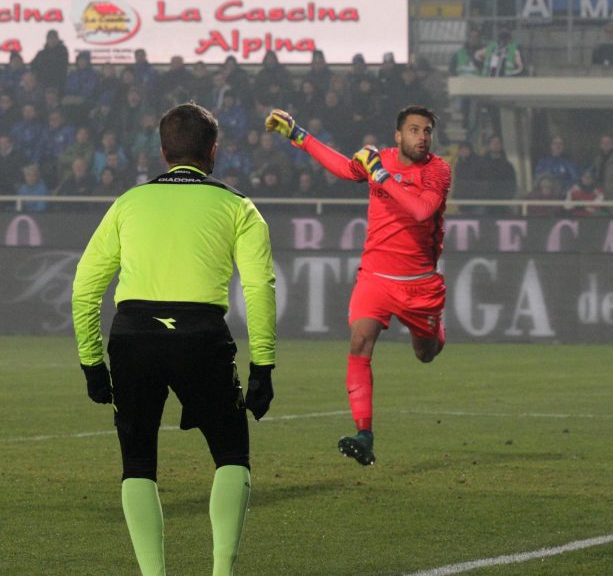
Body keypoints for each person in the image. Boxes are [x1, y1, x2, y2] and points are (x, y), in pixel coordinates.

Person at [71, 102, 277, 576]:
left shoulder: (127, 203)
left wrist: (91, 362)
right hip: (201, 337)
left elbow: (85, 286)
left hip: (132, 337)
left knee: (138, 461)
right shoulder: (238, 206)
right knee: (230, 454)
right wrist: (262, 365)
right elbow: (259, 288)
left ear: (163, 152)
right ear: (214, 151)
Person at [265, 104, 450, 467]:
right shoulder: (381, 159)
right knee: (359, 340)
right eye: (414, 130)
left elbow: (422, 210)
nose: (422, 137)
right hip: (376, 276)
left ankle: (435, 331)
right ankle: (364, 434)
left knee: (425, 353)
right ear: (398, 136)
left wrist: (380, 176)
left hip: (418, 282)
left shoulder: (438, 170)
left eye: (427, 130)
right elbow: (343, 167)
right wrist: (298, 135)